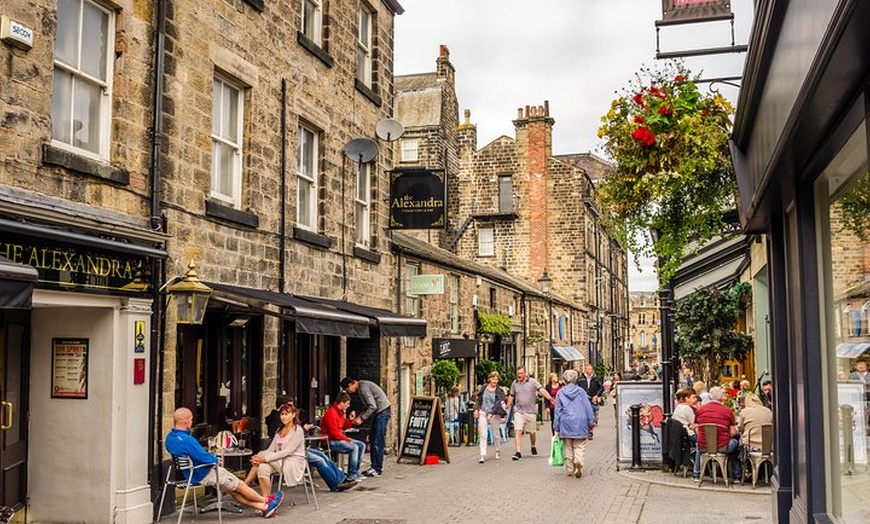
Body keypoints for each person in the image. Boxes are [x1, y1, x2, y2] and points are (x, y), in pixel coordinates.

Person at [165, 407, 284, 518]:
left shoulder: (170, 438)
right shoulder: (187, 440)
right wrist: (216, 460)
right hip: (204, 472)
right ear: (185, 421)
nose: (192, 422)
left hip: (190, 474)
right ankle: (266, 501)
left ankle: (263, 507)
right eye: (191, 420)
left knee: (232, 490)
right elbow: (202, 456)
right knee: (239, 485)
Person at [244, 401, 306, 496]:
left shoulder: (298, 430)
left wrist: (263, 458)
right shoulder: (279, 430)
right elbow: (271, 449)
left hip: (292, 463)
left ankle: (245, 484)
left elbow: (287, 451)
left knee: (261, 455)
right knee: (262, 468)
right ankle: (267, 501)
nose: (283, 417)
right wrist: (261, 460)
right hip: (278, 461)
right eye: (282, 414)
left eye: (286, 414)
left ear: (293, 415)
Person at [341, 377, 391, 477]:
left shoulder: (363, 388)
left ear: (351, 384)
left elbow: (372, 406)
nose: (349, 392)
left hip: (382, 412)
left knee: (377, 440)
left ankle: (377, 468)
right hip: (380, 412)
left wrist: (362, 418)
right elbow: (368, 406)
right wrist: (359, 417)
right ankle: (374, 466)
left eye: (348, 389)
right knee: (373, 440)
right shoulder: (362, 387)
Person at [692, 386, 740, 482]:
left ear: (710, 397)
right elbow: (733, 432)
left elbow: (696, 428)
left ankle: (696, 474)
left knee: (699, 445)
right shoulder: (727, 411)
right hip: (722, 447)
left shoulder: (700, 410)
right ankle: (736, 474)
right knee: (735, 443)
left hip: (704, 447)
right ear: (722, 397)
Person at [553, 369, 595, 478]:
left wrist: (556, 426)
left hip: (566, 421)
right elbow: (588, 407)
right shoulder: (581, 391)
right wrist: (591, 422)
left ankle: (569, 469)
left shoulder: (560, 392)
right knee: (579, 445)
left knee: (567, 446)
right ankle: (579, 462)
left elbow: (557, 410)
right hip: (580, 421)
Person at [506, 366, 554, 460]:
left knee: (532, 432)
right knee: (518, 430)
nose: (519, 375)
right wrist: (507, 405)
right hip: (519, 411)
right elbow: (511, 395)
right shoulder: (515, 383)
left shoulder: (532, 382)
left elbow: (542, 390)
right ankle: (518, 452)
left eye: (521, 373)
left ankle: (533, 446)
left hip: (530, 411)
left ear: (525, 373)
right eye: (518, 373)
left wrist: (550, 399)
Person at [320, 392, 366, 482]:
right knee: (354, 447)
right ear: (341, 403)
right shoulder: (331, 414)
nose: (348, 406)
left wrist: (351, 421)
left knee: (361, 445)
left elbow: (343, 425)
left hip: (337, 438)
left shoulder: (340, 413)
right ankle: (351, 473)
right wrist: (347, 440)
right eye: (347, 403)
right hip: (330, 441)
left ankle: (355, 471)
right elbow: (334, 433)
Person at [473, 371, 508, 463]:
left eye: (496, 379)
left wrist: (491, 414)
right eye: (493, 379)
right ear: (489, 379)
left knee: (495, 434)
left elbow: (498, 404)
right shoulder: (484, 388)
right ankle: (482, 455)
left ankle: (497, 450)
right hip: (483, 412)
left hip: (494, 413)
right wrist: (476, 409)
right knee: (483, 434)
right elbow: (479, 400)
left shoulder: (499, 391)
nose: (495, 381)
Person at [577, 363, 604, 435]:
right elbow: (577, 389)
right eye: (587, 369)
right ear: (584, 369)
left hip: (593, 400)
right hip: (583, 400)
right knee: (584, 416)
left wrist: (597, 395)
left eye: (590, 369)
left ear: (592, 370)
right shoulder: (580, 379)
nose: (588, 370)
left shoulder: (596, 378)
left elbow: (601, 388)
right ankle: (587, 431)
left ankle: (590, 430)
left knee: (592, 415)